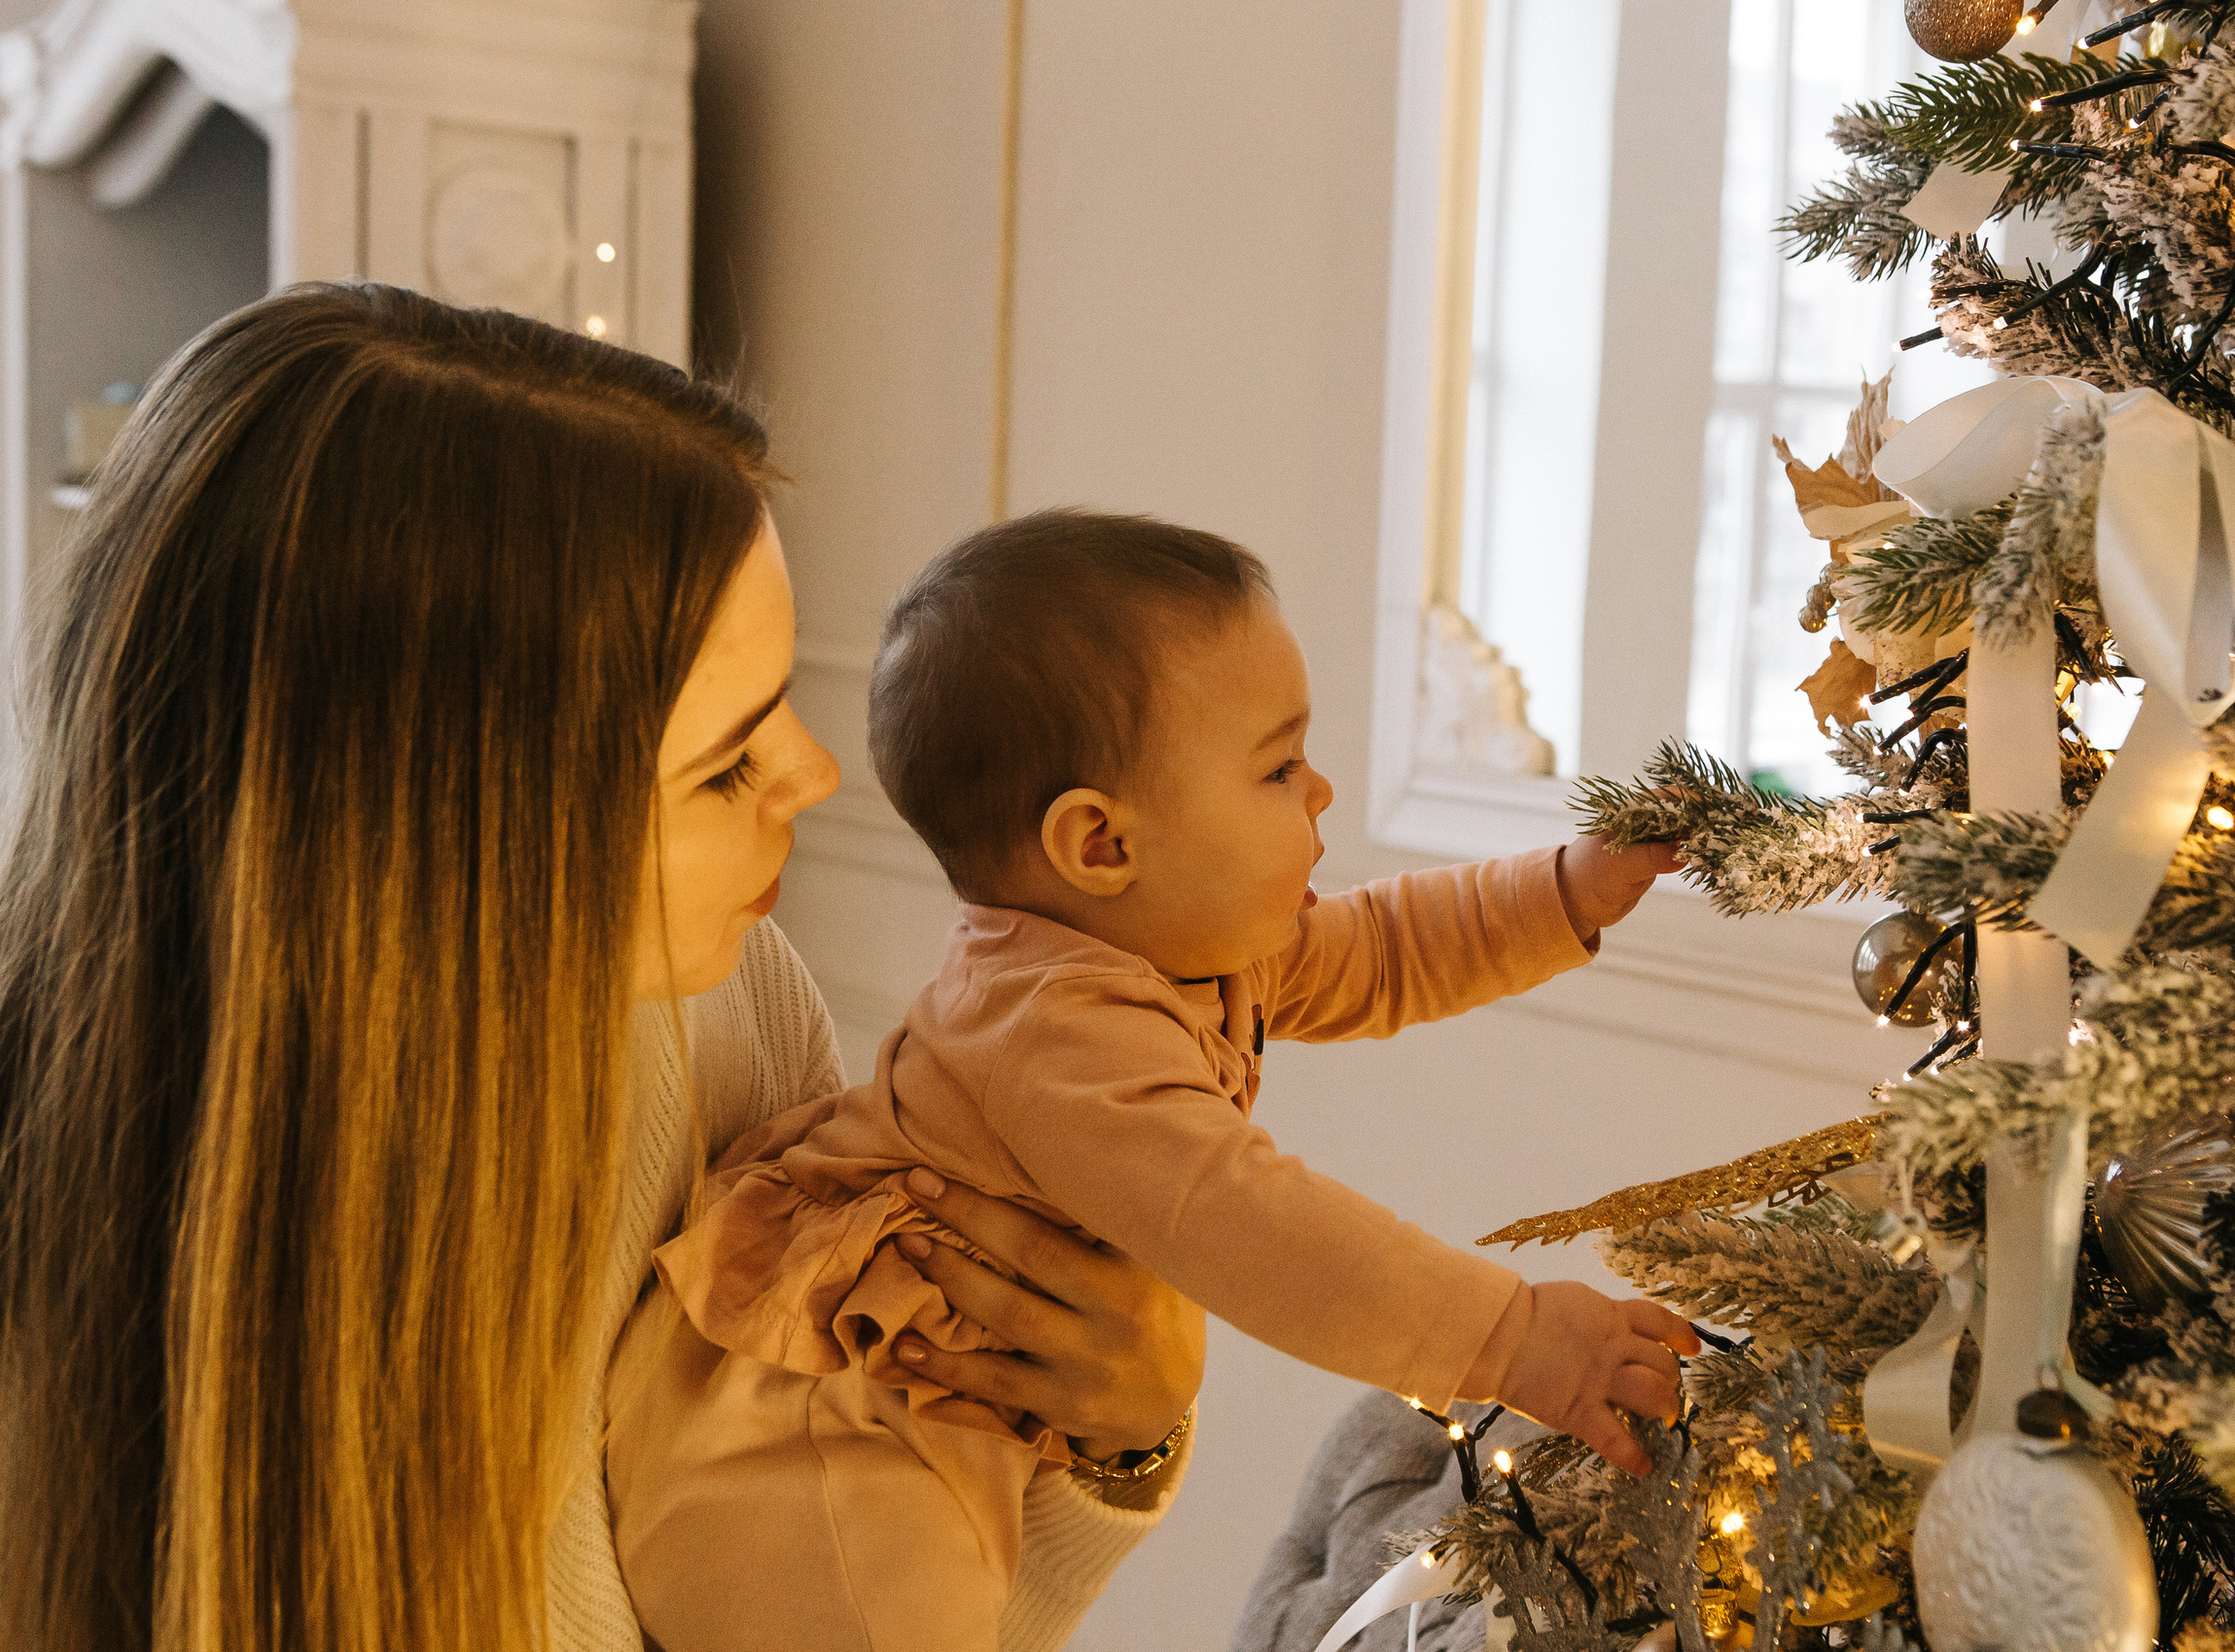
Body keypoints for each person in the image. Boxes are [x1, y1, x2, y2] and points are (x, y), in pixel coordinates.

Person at [0, 284, 1201, 1652]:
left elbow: (846, 1590)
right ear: (438, 841)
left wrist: (1111, 1445)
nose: (815, 776)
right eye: (726, 764)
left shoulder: (732, 1008)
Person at [611, 510, 1700, 1652]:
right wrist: (1514, 1339)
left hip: (934, 1409)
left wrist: (1565, 891)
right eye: (1277, 766)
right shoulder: (1052, 1027)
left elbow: (1385, 949)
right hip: (818, 1425)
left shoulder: (1183, 953)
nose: (1320, 789)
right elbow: (1258, 1231)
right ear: (1100, 845)